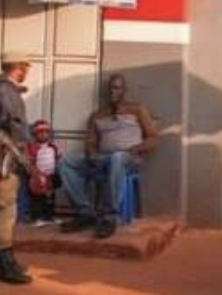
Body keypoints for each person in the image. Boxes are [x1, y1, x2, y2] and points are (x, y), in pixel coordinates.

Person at [59, 74, 158, 239]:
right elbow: (90, 142)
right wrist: (91, 153)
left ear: (124, 90)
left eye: (117, 87)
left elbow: (154, 138)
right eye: (111, 88)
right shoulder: (97, 115)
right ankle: (85, 212)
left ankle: (109, 216)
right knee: (65, 161)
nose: (113, 91)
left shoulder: (137, 109)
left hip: (128, 157)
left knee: (118, 157)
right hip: (104, 158)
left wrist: (135, 149)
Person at [0, 50, 34, 284]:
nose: (28, 72)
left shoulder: (2, 91)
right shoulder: (1, 93)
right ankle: (5, 264)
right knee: (5, 214)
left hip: (6, 163)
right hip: (1, 165)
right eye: (26, 67)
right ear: (19, 67)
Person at [24, 119, 61, 227]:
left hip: (50, 176)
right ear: (35, 134)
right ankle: (36, 218)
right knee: (37, 198)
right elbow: (29, 162)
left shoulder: (52, 147)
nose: (43, 135)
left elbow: (56, 159)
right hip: (37, 177)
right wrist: (36, 175)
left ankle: (49, 216)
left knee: (49, 198)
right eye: (40, 133)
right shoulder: (32, 147)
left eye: (46, 132)